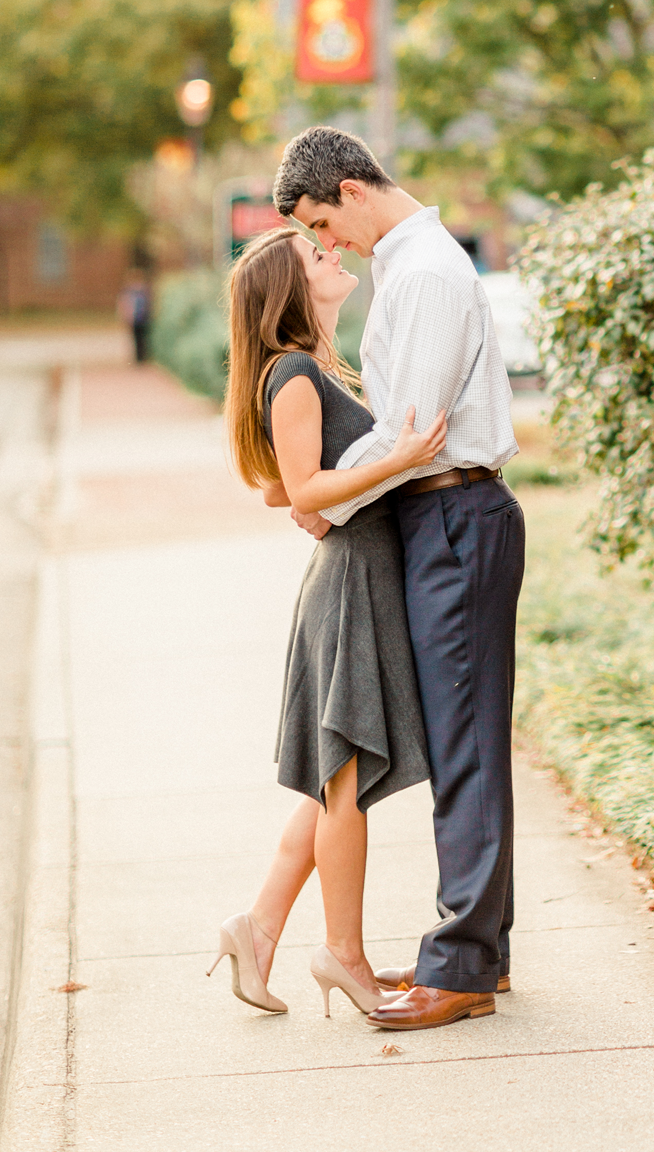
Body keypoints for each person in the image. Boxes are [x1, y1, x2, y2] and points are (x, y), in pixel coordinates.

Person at [272, 125, 524, 1033]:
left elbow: (408, 432)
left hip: (454, 513)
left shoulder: (419, 273)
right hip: (447, 516)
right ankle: (478, 955)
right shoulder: (415, 265)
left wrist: (320, 503)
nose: (327, 245)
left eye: (322, 224)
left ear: (349, 187)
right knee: (466, 739)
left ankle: (459, 969)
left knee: (463, 749)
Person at [211, 225, 443, 1021]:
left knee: (331, 783)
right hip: (349, 588)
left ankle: (259, 927)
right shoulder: (299, 373)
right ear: (291, 289)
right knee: (344, 781)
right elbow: (305, 492)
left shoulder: (304, 374)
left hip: (353, 580)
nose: (332, 255)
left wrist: (326, 488)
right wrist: (403, 457)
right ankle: (345, 957)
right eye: (317, 256)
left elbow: (286, 488)